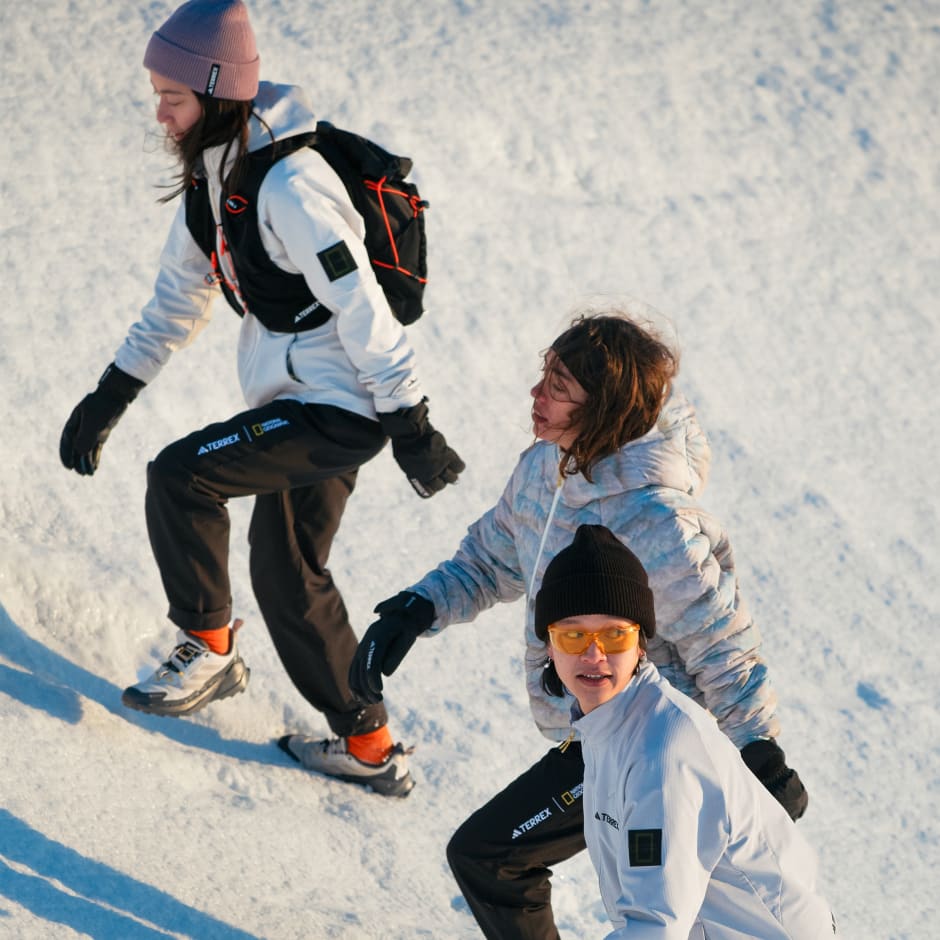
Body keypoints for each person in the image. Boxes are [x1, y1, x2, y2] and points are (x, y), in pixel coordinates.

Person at [58, 0, 463, 798]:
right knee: (288, 572)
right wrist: (111, 394)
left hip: (341, 405)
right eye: (156, 93)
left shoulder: (292, 185)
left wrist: (411, 422)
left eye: (172, 95)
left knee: (183, 476)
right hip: (295, 396)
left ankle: (207, 647)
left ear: (217, 92)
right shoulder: (214, 178)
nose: (160, 111)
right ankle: (371, 745)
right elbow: (178, 299)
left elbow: (361, 309)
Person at [347, 311, 808, 934]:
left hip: (656, 744)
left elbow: (721, 647)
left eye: (559, 388)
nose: (537, 396)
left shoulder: (655, 521)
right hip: (594, 723)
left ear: (607, 411)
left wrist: (759, 752)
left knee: (501, 859)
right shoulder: (546, 468)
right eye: (545, 377)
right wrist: (418, 608)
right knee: (502, 860)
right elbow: (493, 556)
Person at [535, 523, 835, 938]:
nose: (593, 653)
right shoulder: (612, 727)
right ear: (548, 646)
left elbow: (656, 925)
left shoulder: (662, 753)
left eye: (614, 635)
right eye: (572, 636)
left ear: (641, 644)